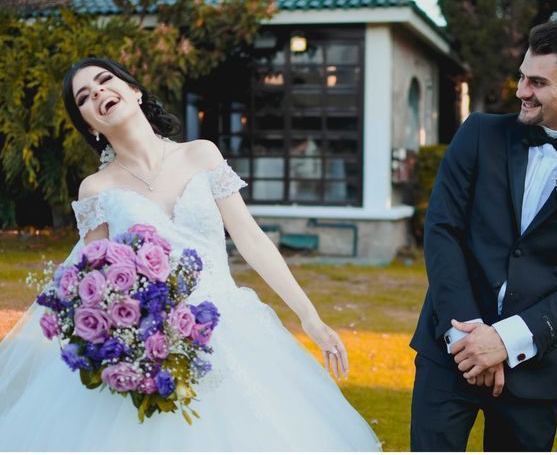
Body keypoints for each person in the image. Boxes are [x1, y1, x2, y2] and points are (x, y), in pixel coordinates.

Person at [0, 58, 380, 451]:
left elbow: (251, 239)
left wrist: (309, 317)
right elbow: (93, 285)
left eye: (104, 81)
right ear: (90, 125)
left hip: (232, 328)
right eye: (84, 97)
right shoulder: (96, 190)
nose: (98, 92)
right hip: (151, 344)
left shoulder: (202, 155)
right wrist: (125, 340)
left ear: (134, 90)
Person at [410, 21, 557, 451]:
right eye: (521, 76)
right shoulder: (477, 134)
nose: (521, 91)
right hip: (449, 351)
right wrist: (469, 342)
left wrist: (506, 341)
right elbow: (442, 230)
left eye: (537, 82)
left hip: (532, 372)